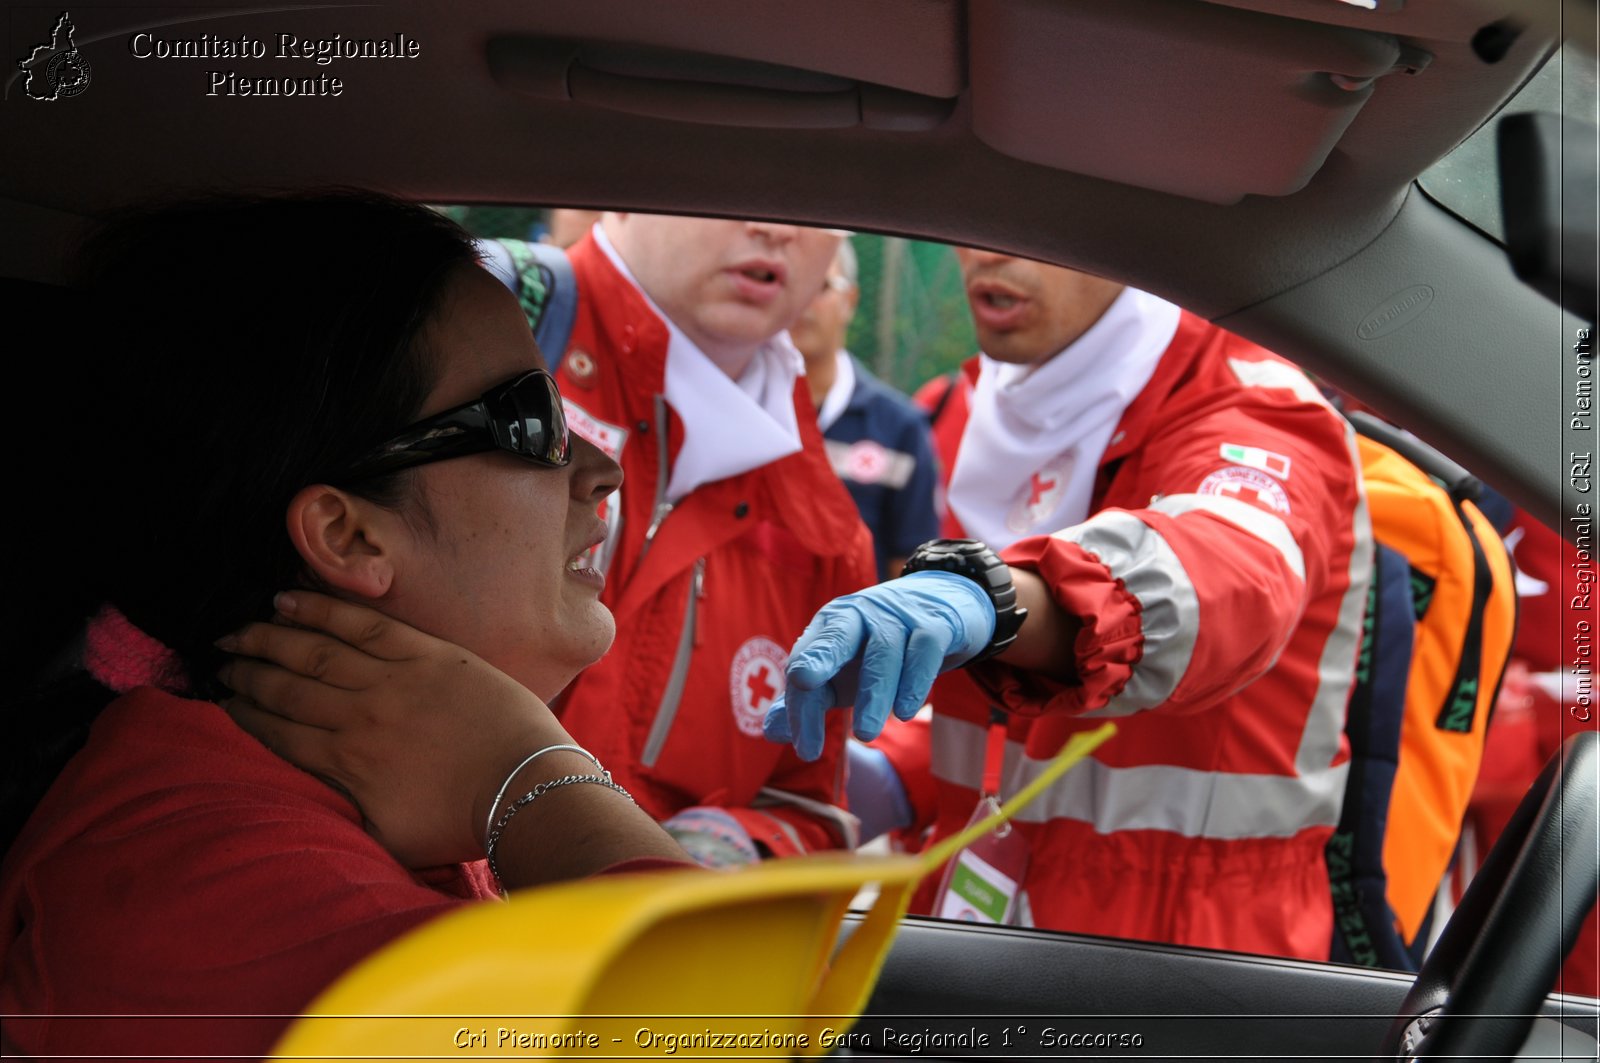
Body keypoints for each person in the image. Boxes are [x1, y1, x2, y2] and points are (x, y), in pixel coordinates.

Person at [0, 192, 688, 1060]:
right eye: (532, 420)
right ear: (348, 533)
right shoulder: (210, 879)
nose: (600, 469)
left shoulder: (342, 791)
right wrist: (528, 772)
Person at [768, 249, 1372, 960]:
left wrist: (995, 596)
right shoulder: (976, 407)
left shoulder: (1253, 407)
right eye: (978, 217)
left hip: (1181, 952)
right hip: (970, 909)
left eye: (1033, 221)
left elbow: (1229, 573)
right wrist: (892, 769)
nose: (990, 249)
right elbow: (1012, 707)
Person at [550, 214, 875, 866]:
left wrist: (742, 845)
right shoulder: (490, 342)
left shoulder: (826, 532)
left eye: (820, 200)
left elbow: (805, 802)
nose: (776, 226)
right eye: (743, 169)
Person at [789, 238, 942, 580]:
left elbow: (910, 569)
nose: (801, 301)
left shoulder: (899, 428)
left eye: (820, 285)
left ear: (850, 300)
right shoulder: (734, 410)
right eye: (788, 283)